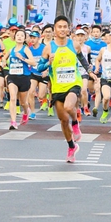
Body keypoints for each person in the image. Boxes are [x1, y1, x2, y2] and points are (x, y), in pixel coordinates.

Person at [41, 16, 85, 163]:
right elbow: (39, 67)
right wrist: (48, 63)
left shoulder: (74, 44)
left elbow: (83, 60)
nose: (62, 29)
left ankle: (75, 122)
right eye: (59, 27)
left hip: (73, 83)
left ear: (68, 28)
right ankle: (71, 146)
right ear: (54, 29)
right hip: (57, 87)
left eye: (65, 27)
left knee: (68, 106)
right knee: (63, 120)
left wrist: (91, 72)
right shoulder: (49, 48)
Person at [4, 29, 36, 130]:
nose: (19, 37)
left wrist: (22, 58)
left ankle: (26, 111)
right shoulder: (11, 50)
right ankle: (13, 122)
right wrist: (3, 62)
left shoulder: (26, 49)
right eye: (18, 35)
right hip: (12, 77)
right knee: (13, 98)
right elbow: (3, 58)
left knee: (23, 102)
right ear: (14, 37)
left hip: (24, 77)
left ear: (24, 38)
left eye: (22, 35)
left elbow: (33, 62)